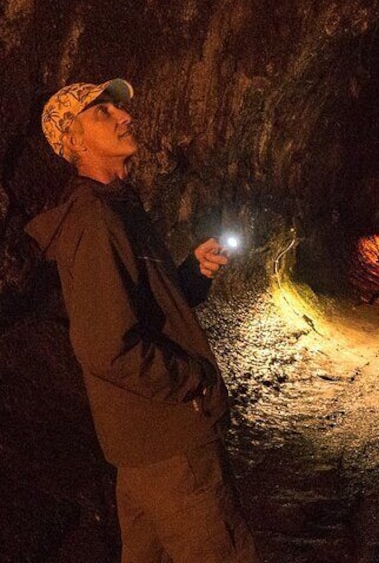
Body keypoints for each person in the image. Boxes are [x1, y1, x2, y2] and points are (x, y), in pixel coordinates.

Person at [26, 79, 259, 562]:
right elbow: (106, 345)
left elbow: (140, 311)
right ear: (74, 141)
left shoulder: (118, 208)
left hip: (143, 446)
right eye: (102, 114)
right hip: (171, 443)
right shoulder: (96, 222)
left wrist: (189, 276)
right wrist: (193, 382)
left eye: (118, 109)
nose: (124, 117)